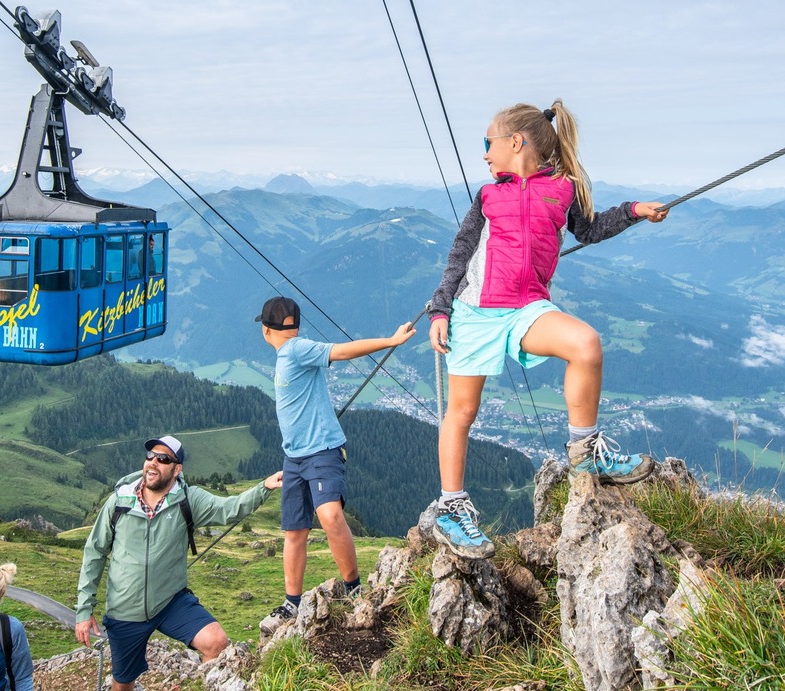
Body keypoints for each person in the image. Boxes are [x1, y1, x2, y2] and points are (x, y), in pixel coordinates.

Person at [427, 100, 669, 559]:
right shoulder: (487, 197)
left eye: (488, 143)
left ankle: (586, 451)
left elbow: (591, 229)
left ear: (515, 142)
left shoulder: (562, 190)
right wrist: (441, 311)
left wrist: (635, 210)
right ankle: (452, 507)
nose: (484, 154)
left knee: (586, 344)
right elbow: (459, 257)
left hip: (527, 310)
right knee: (461, 412)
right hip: (475, 312)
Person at [74, 435, 282, 691]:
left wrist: (265, 487)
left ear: (178, 468)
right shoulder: (119, 502)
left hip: (171, 601)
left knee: (216, 642)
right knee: (123, 685)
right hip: (124, 611)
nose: (153, 463)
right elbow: (94, 552)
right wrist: (84, 611)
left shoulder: (188, 499)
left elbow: (229, 509)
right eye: (151, 456)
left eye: (164, 459)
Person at [254, 296, 416, 635]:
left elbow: (342, 351)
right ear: (294, 325)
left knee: (329, 515)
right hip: (295, 457)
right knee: (294, 531)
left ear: (266, 330)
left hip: (323, 451)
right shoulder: (289, 353)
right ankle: (292, 603)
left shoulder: (296, 349)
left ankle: (355, 589)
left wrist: (391, 340)